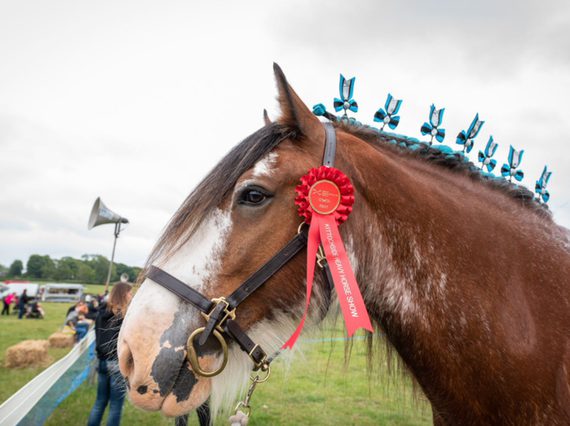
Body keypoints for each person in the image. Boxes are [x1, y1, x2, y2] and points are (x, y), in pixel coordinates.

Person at [88, 282, 132, 426]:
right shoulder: (124, 316)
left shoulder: (100, 313)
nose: (132, 296)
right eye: (130, 293)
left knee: (100, 402)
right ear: (124, 294)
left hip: (101, 362)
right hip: (116, 363)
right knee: (115, 406)